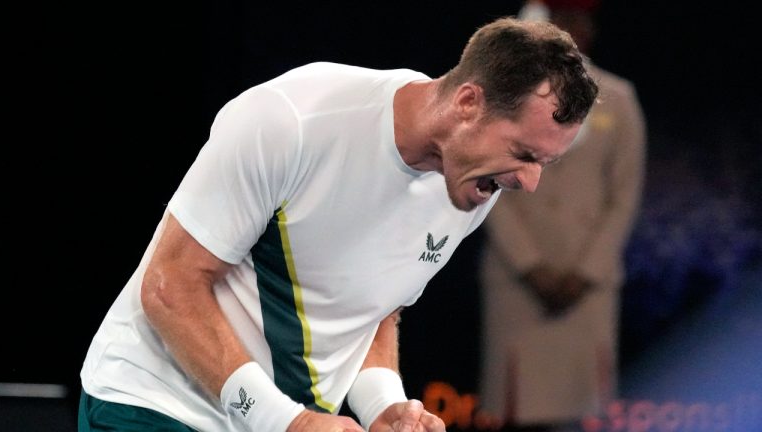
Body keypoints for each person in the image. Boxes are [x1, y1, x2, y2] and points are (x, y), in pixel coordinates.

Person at [78, 16, 598, 432]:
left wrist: (384, 409)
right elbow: (170, 286)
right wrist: (286, 419)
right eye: (524, 154)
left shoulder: (473, 178)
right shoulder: (292, 120)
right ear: (468, 103)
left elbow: (373, 311)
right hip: (154, 405)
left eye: (543, 164)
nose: (529, 182)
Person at [475, 2, 646, 431]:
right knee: (517, 411)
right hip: (521, 283)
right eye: (561, 21)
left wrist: (585, 271)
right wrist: (531, 267)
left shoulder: (619, 100)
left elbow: (623, 197)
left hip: (584, 286)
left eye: (579, 21)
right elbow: (487, 185)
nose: (572, 31)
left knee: (580, 413)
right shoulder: (502, 101)